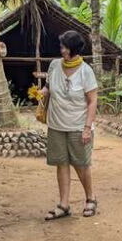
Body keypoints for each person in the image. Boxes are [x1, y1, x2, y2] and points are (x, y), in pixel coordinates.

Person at [42, 31, 99, 220]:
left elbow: (92, 101)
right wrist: (41, 93)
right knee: (61, 163)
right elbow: (48, 87)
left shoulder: (86, 71)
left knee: (81, 164)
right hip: (57, 125)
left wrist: (87, 127)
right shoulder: (54, 66)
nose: (62, 50)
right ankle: (63, 204)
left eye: (65, 47)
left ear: (73, 50)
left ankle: (90, 198)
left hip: (78, 125)